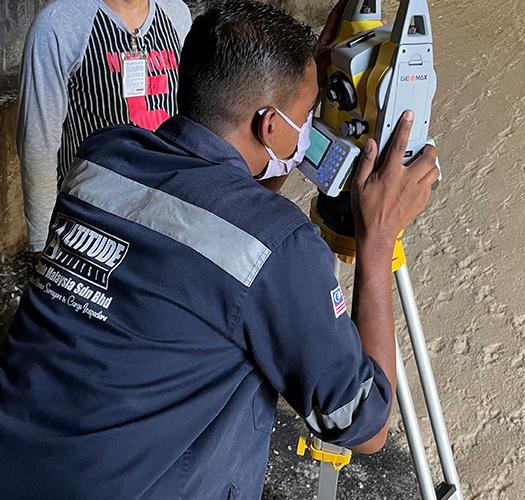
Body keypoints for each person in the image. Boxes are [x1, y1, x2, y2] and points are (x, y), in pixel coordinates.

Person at [0, 0, 440, 498]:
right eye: (304, 117)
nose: (307, 133)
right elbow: (364, 425)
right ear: (269, 126)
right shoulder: (276, 246)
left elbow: (229, 198)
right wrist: (377, 239)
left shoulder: (104, 157)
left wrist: (302, 77)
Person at [16, 0, 192, 252]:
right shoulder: (59, 23)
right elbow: (38, 141)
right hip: (91, 222)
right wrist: (43, 241)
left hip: (165, 218)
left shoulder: (175, 13)